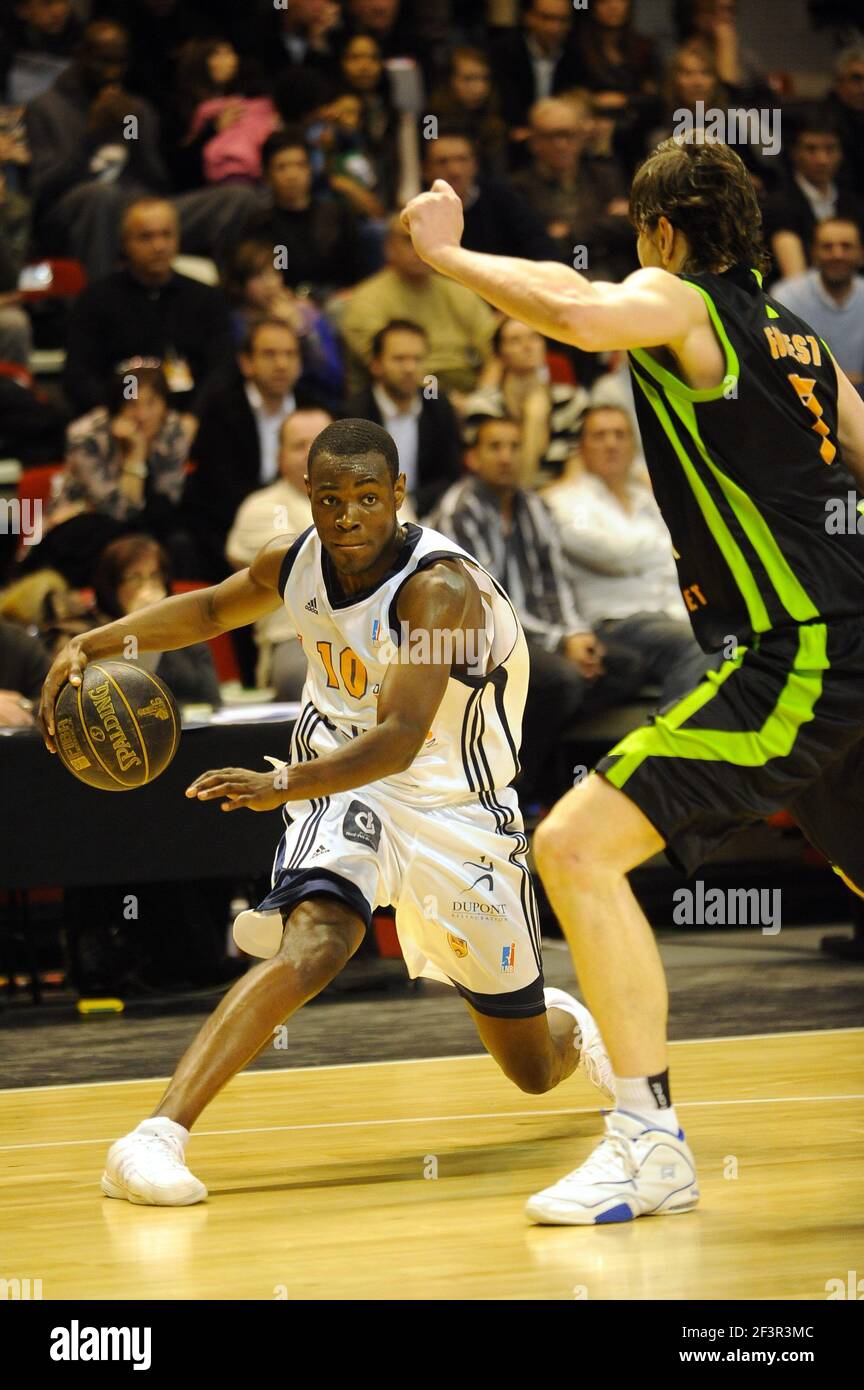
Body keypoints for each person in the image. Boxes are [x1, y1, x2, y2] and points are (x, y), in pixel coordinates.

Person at [401, 138, 864, 1224]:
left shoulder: (681, 300)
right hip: (849, 635)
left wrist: (453, 256)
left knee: (573, 845)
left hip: (800, 650)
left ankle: (648, 1141)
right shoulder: (796, 336)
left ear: (660, 233)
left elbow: (574, 306)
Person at [39, 416, 615, 1206]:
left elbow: (403, 738)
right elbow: (208, 611)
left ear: (399, 495)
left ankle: (570, 1025)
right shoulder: (296, 560)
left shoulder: (437, 592)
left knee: (531, 1072)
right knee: (319, 940)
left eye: (368, 498)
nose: (348, 517)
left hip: (457, 806)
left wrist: (277, 785)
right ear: (308, 497)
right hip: (342, 779)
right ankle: (154, 1138)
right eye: (331, 498)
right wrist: (96, 644)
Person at [428, 415, 643, 807]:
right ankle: (510, 786)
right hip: (477, 639)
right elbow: (486, 600)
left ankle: (527, 768)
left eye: (514, 447)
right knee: (562, 681)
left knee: (627, 666)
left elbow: (556, 583)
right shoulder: (460, 509)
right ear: (473, 458)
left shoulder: (534, 506)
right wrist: (563, 643)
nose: (507, 457)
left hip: (538, 637)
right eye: (495, 447)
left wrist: (578, 634)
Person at [542, 404, 713, 700]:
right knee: (697, 644)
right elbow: (613, 554)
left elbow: (695, 548)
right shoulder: (566, 500)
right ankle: (673, 742)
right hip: (614, 622)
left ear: (634, 446)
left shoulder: (647, 498)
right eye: (599, 436)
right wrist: (670, 545)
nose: (611, 443)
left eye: (620, 435)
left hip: (671, 614)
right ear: (581, 447)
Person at [63, 197, 236, 415]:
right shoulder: (96, 300)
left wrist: (195, 416)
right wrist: (123, 412)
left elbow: (222, 371)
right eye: (146, 237)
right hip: (118, 416)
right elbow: (79, 376)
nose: (159, 246)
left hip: (192, 416)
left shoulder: (207, 299)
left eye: (166, 235)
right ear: (125, 243)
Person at [183, 316, 322, 581]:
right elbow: (216, 490)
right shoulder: (219, 412)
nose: (281, 364)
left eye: (290, 354)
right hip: (230, 527)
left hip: (305, 514)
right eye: (269, 354)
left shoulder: (316, 410)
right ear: (246, 363)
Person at [225, 406, 331, 695]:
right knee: (305, 677)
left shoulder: (380, 498)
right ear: (279, 457)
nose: (313, 453)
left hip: (382, 633)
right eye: (300, 446)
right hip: (297, 639)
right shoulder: (260, 508)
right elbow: (312, 568)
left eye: (322, 441)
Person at [339, 213, 496, 398]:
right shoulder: (367, 300)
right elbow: (387, 367)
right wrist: (445, 401)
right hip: (416, 391)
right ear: (389, 248)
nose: (419, 248)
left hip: (472, 387)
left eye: (426, 240)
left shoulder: (460, 292)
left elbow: (495, 350)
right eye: (408, 240)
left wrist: (483, 396)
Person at [346, 318, 463, 516]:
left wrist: (412, 503)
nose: (409, 368)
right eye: (399, 359)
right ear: (376, 365)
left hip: (429, 513)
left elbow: (450, 474)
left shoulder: (437, 406)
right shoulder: (353, 413)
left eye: (417, 359)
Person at [771, 218, 864, 387]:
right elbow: (781, 369)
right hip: (806, 404)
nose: (837, 255)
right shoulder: (786, 297)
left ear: (861, 253)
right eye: (827, 247)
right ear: (813, 253)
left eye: (846, 246)